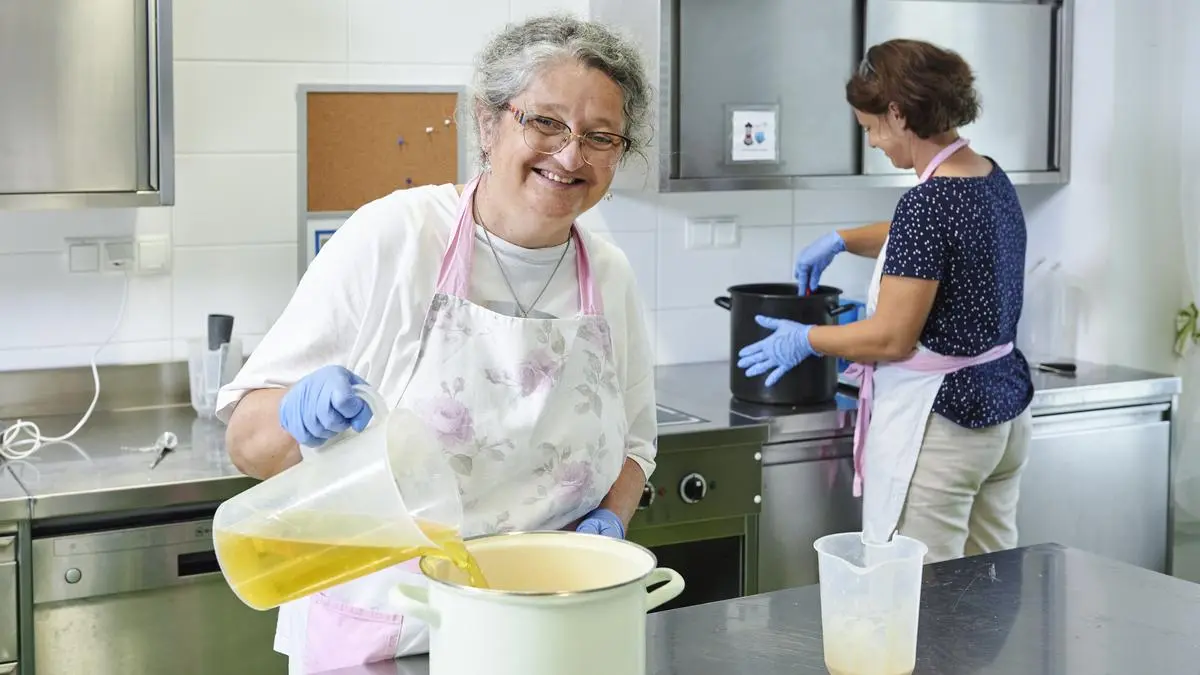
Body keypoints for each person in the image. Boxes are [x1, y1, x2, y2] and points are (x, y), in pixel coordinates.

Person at [215, 15, 656, 673]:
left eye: (599, 136)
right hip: (389, 635)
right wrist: (290, 412)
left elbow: (636, 448)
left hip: (546, 633)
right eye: (545, 123)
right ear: (487, 122)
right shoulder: (393, 238)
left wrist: (609, 525)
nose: (571, 156)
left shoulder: (609, 275)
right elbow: (247, 443)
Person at [737, 39, 1034, 563]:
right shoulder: (987, 175)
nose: (874, 142)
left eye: (871, 127)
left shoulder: (928, 202)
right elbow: (931, 241)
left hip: (941, 428)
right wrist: (844, 238)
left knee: (924, 598)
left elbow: (892, 338)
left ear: (897, 114)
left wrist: (807, 338)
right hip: (1001, 417)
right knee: (990, 585)